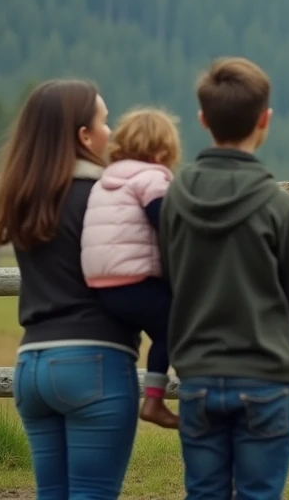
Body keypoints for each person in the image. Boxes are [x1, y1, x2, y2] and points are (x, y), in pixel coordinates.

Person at [157, 56, 289, 500]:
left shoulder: (174, 200)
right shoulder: (276, 206)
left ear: (203, 120)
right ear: (265, 121)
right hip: (266, 375)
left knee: (203, 493)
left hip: (199, 376)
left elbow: (170, 277)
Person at [0, 79, 141, 499]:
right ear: (84, 136)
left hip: (31, 364)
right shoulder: (103, 197)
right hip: (94, 362)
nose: (111, 133)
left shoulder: (25, 199)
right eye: (105, 122)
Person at [81, 106, 182, 429]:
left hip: (100, 283)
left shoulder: (105, 181)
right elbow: (166, 223)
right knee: (174, 326)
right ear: (164, 149)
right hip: (134, 280)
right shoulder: (150, 178)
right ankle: (154, 399)